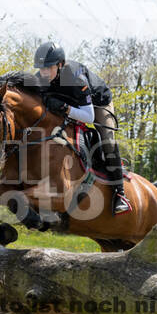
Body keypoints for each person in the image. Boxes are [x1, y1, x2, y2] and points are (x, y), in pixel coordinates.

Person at [34, 41, 131, 215]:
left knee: (108, 141)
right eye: (41, 69)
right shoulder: (39, 78)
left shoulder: (75, 77)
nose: (44, 73)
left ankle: (120, 194)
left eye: (48, 68)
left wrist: (64, 107)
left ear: (60, 64)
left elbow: (89, 116)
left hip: (97, 104)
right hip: (71, 102)